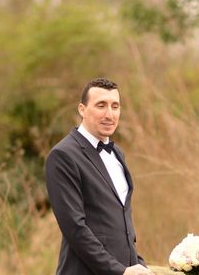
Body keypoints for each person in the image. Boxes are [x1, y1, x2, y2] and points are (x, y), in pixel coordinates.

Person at [45, 78, 152, 275]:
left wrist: (137, 264)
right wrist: (119, 271)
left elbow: (120, 222)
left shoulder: (118, 153)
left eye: (115, 106)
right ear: (82, 109)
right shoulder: (63, 156)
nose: (109, 114)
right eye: (101, 105)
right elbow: (75, 229)